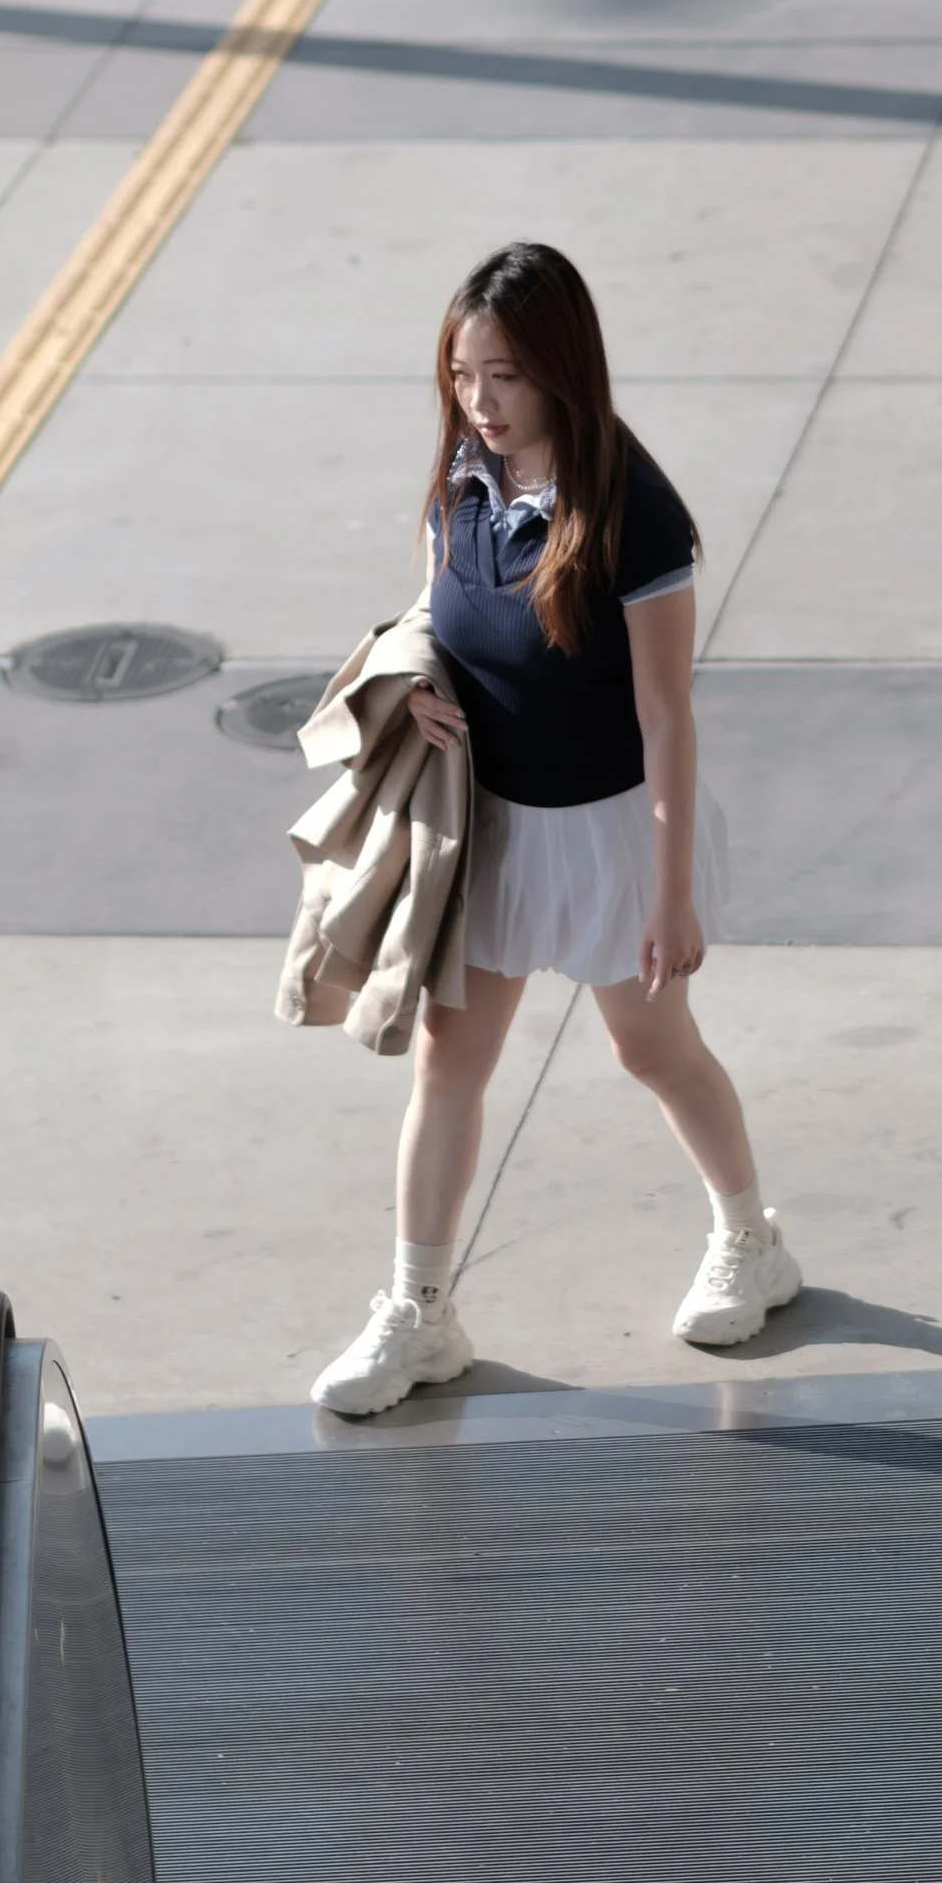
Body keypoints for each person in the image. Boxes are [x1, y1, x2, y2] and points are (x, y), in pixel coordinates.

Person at [311, 242, 801, 1417]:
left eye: (507, 377)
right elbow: (435, 608)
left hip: (613, 834)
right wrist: (414, 676)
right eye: (463, 373)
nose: (479, 403)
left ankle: (752, 1241)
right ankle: (417, 1313)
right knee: (448, 1062)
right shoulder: (458, 481)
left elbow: (667, 715)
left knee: (652, 1051)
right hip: (493, 830)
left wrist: (671, 892)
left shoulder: (635, 514)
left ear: (564, 373)